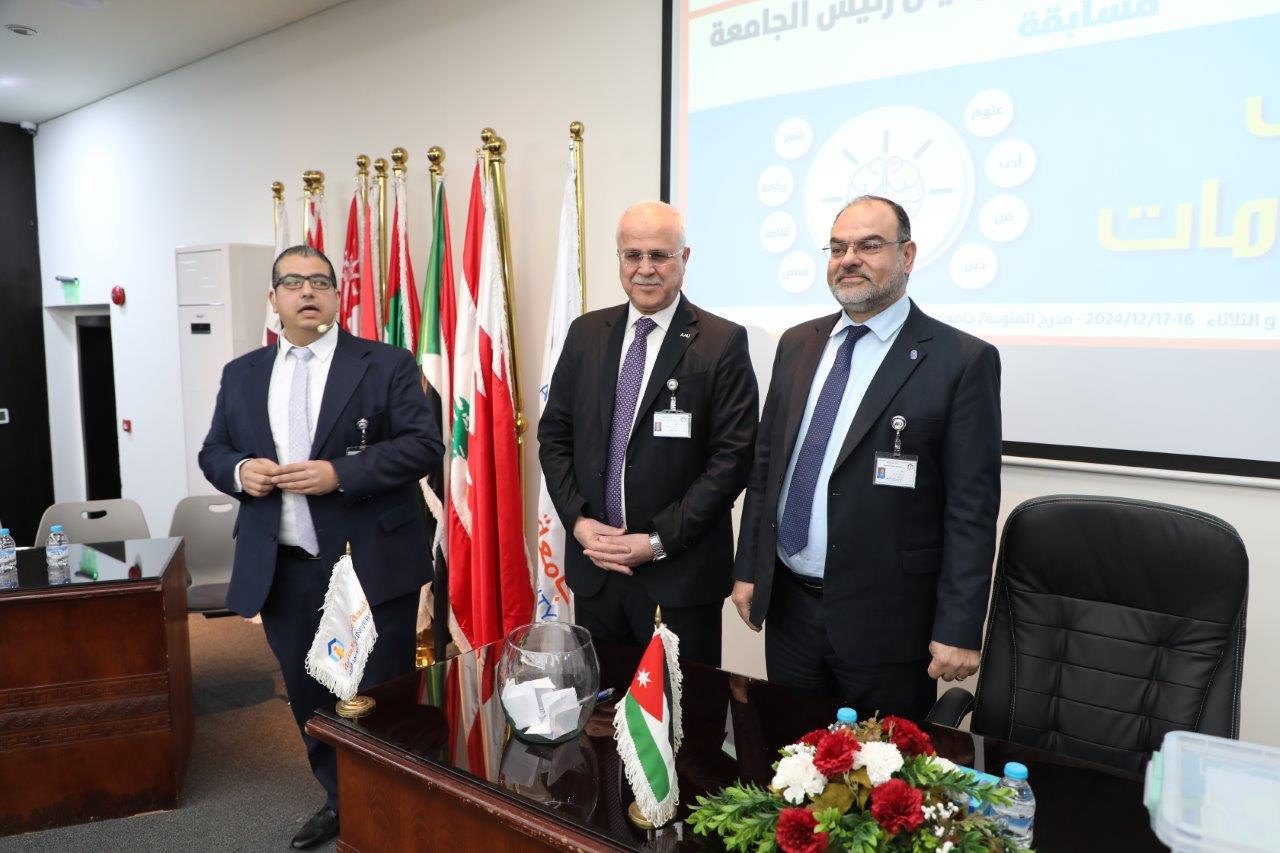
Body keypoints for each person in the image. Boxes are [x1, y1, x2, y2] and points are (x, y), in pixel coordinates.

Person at [199, 245, 442, 849]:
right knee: (309, 697)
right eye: (292, 282)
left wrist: (341, 474)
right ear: (273, 299)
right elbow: (214, 452)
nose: (307, 291)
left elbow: (424, 446)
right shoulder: (242, 373)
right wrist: (239, 472)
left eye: (320, 282)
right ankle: (340, 800)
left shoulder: (386, 364)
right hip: (282, 568)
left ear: (338, 296)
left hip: (368, 566)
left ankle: (393, 808)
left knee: (378, 694)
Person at [731, 195, 1001, 721]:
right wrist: (750, 569)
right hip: (790, 612)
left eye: (869, 245)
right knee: (790, 756)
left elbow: (971, 509)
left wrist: (959, 626)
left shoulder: (961, 360)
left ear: (908, 255)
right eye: (838, 248)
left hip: (888, 626)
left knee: (881, 770)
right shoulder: (798, 343)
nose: (849, 259)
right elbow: (767, 468)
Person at [538, 201, 758, 667]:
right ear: (619, 258)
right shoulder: (586, 333)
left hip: (679, 579)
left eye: (659, 255)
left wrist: (656, 542)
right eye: (632, 255)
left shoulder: (721, 341)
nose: (645, 269)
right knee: (600, 704)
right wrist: (578, 522)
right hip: (597, 570)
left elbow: (732, 460)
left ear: (684, 257)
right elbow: (554, 436)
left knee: (681, 710)